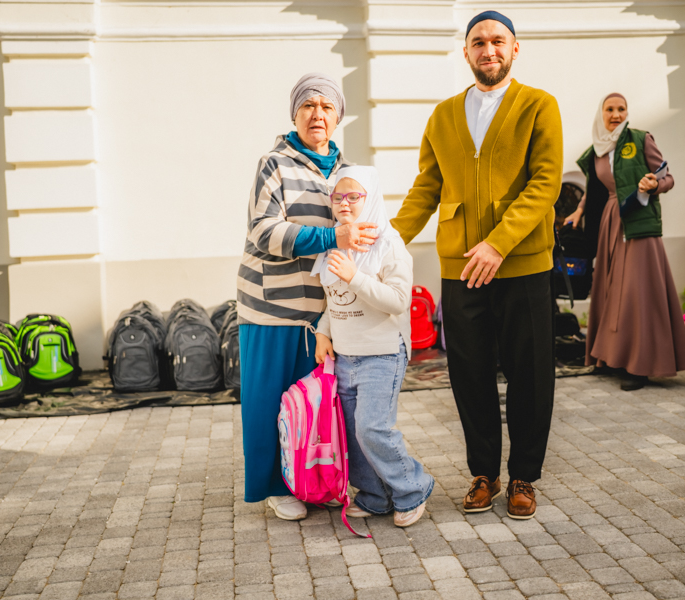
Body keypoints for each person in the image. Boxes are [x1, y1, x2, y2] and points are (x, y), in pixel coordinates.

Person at [390, 10, 561, 520]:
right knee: (469, 374)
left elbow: (545, 182)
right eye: (479, 42)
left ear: (514, 48)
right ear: (465, 51)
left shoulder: (539, 105)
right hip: (461, 265)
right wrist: (388, 242)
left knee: (530, 374)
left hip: (522, 263)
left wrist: (499, 243)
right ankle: (484, 473)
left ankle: (524, 475)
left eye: (498, 41)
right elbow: (426, 187)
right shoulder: (444, 115)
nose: (489, 49)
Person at [237, 73, 379, 520]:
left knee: (319, 404)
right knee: (269, 400)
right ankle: (277, 486)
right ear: (295, 114)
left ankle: (314, 479)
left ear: (338, 117)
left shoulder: (348, 172)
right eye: (308, 106)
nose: (318, 114)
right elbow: (263, 232)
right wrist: (332, 236)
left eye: (327, 106)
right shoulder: (274, 164)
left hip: (325, 313)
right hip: (272, 307)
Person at [313, 166, 434, 527]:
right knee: (352, 433)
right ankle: (375, 496)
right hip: (345, 356)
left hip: (382, 353)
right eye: (338, 196)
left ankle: (412, 489)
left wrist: (356, 277)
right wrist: (323, 331)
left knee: (372, 429)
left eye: (354, 196)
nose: (344, 203)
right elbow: (335, 298)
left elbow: (398, 300)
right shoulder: (335, 243)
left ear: (372, 198)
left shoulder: (389, 245)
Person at [564, 94, 685, 390]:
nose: (616, 114)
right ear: (601, 114)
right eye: (610, 109)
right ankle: (610, 358)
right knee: (610, 290)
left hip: (639, 223)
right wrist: (580, 210)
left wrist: (655, 184)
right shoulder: (597, 150)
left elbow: (668, 178)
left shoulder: (641, 139)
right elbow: (595, 189)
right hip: (610, 221)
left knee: (637, 293)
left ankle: (640, 366)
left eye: (621, 109)